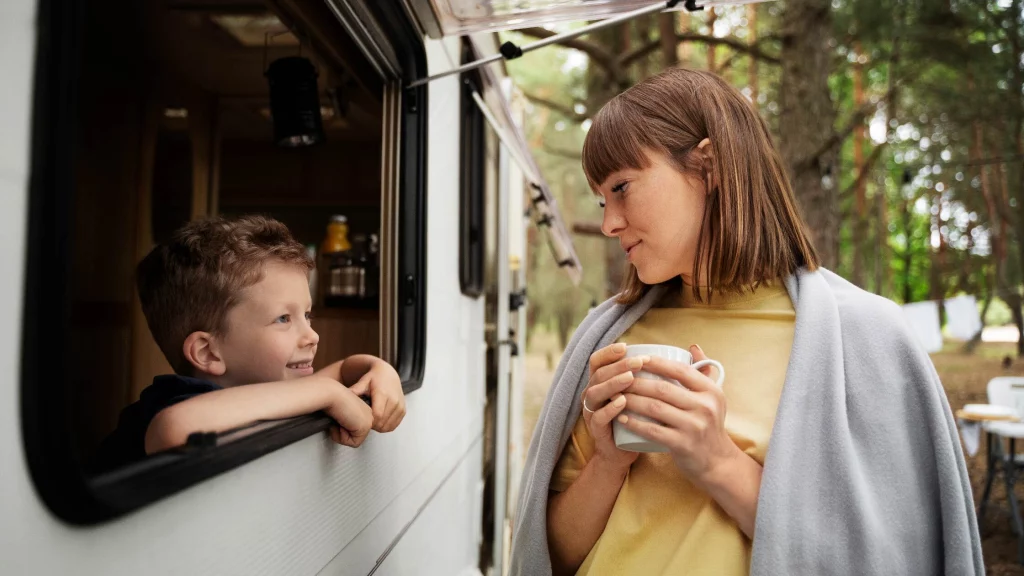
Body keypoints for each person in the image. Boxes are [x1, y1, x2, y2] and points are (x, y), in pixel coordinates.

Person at [510, 68, 982, 576]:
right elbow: (549, 558)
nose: (608, 223)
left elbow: (882, 559)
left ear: (708, 166)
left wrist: (716, 462)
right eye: (603, 200)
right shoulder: (605, 338)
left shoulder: (866, 339)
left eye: (622, 187)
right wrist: (607, 463)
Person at [92, 215, 405, 472]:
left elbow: (342, 372)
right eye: (283, 319)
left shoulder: (258, 388)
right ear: (207, 352)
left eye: (307, 315)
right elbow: (176, 427)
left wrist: (378, 368)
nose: (312, 336)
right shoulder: (177, 403)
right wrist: (326, 391)